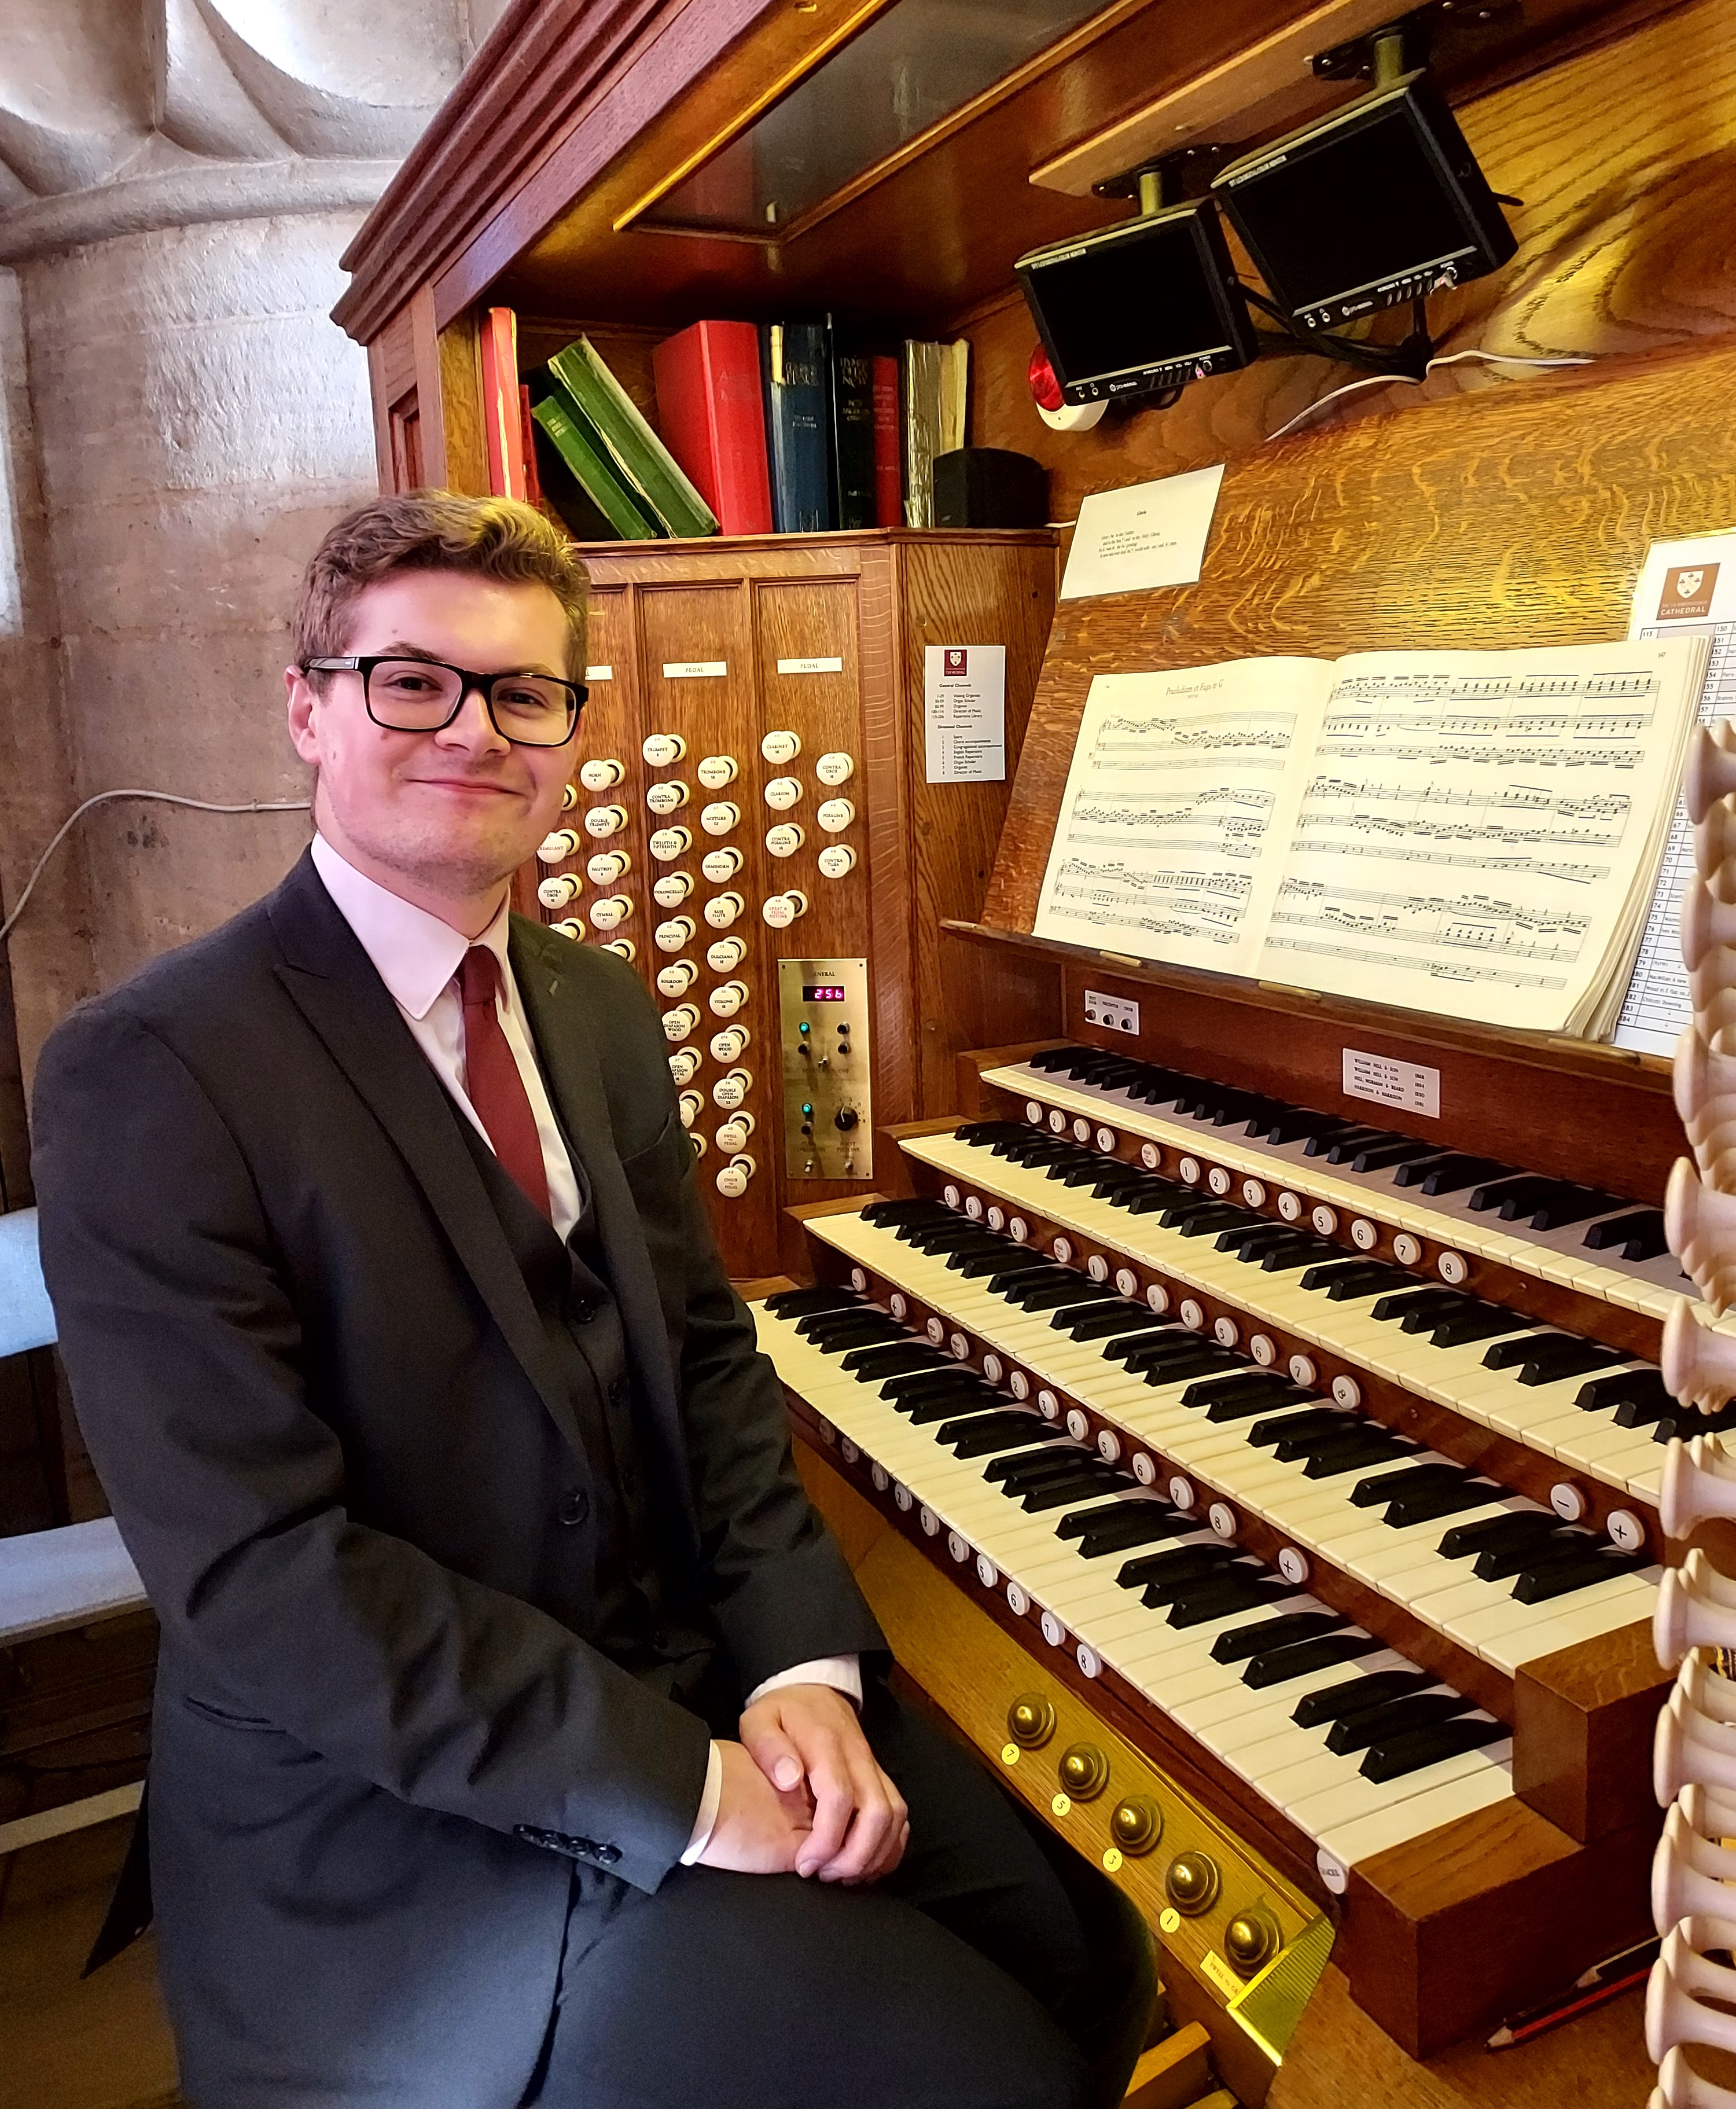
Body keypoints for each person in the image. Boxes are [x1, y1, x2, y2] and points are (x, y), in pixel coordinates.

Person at [31, 493, 1154, 2109]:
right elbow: (267, 1579)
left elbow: (705, 1360)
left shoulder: (593, 1004)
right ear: (307, 707)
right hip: (396, 1810)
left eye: (525, 692)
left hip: (684, 1671)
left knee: (1084, 1948)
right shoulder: (157, 1069)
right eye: (412, 681)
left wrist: (797, 1674)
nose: (475, 731)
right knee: (963, 2068)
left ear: (566, 728)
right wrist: (685, 1787)